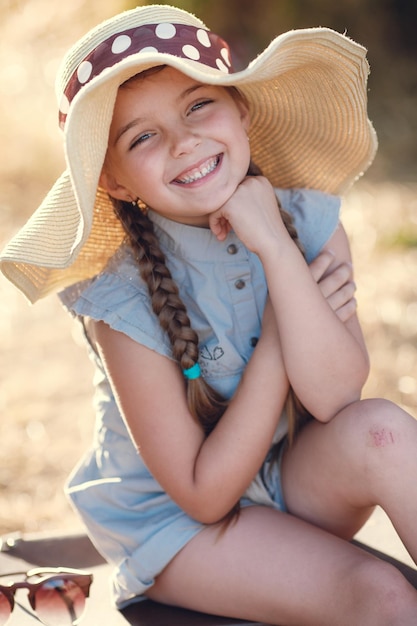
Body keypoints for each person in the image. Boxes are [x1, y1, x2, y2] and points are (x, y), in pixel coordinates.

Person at [1, 5, 417, 625]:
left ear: (240, 108)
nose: (183, 141)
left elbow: (335, 399)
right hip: (178, 523)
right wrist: (283, 317)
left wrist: (275, 246)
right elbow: (203, 496)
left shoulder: (306, 220)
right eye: (142, 137)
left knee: (382, 429)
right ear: (114, 182)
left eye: (199, 106)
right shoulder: (121, 301)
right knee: (382, 598)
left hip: (286, 471)